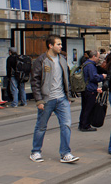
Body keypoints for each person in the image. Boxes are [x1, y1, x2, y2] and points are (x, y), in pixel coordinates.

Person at [30, 35, 79, 163]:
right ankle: (35, 151)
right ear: (50, 45)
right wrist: (39, 100)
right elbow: (35, 81)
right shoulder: (41, 60)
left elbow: (65, 78)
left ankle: (65, 153)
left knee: (66, 125)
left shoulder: (62, 59)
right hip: (47, 100)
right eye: (58, 44)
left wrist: (68, 96)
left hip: (62, 98)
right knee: (41, 126)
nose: (61, 46)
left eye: (61, 44)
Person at [78, 50, 106, 132]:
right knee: (88, 108)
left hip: (85, 88)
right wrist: (102, 76)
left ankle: (82, 123)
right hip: (90, 89)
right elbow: (94, 77)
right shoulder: (91, 66)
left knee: (84, 107)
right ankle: (85, 125)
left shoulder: (86, 63)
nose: (99, 59)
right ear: (93, 56)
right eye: (98, 57)